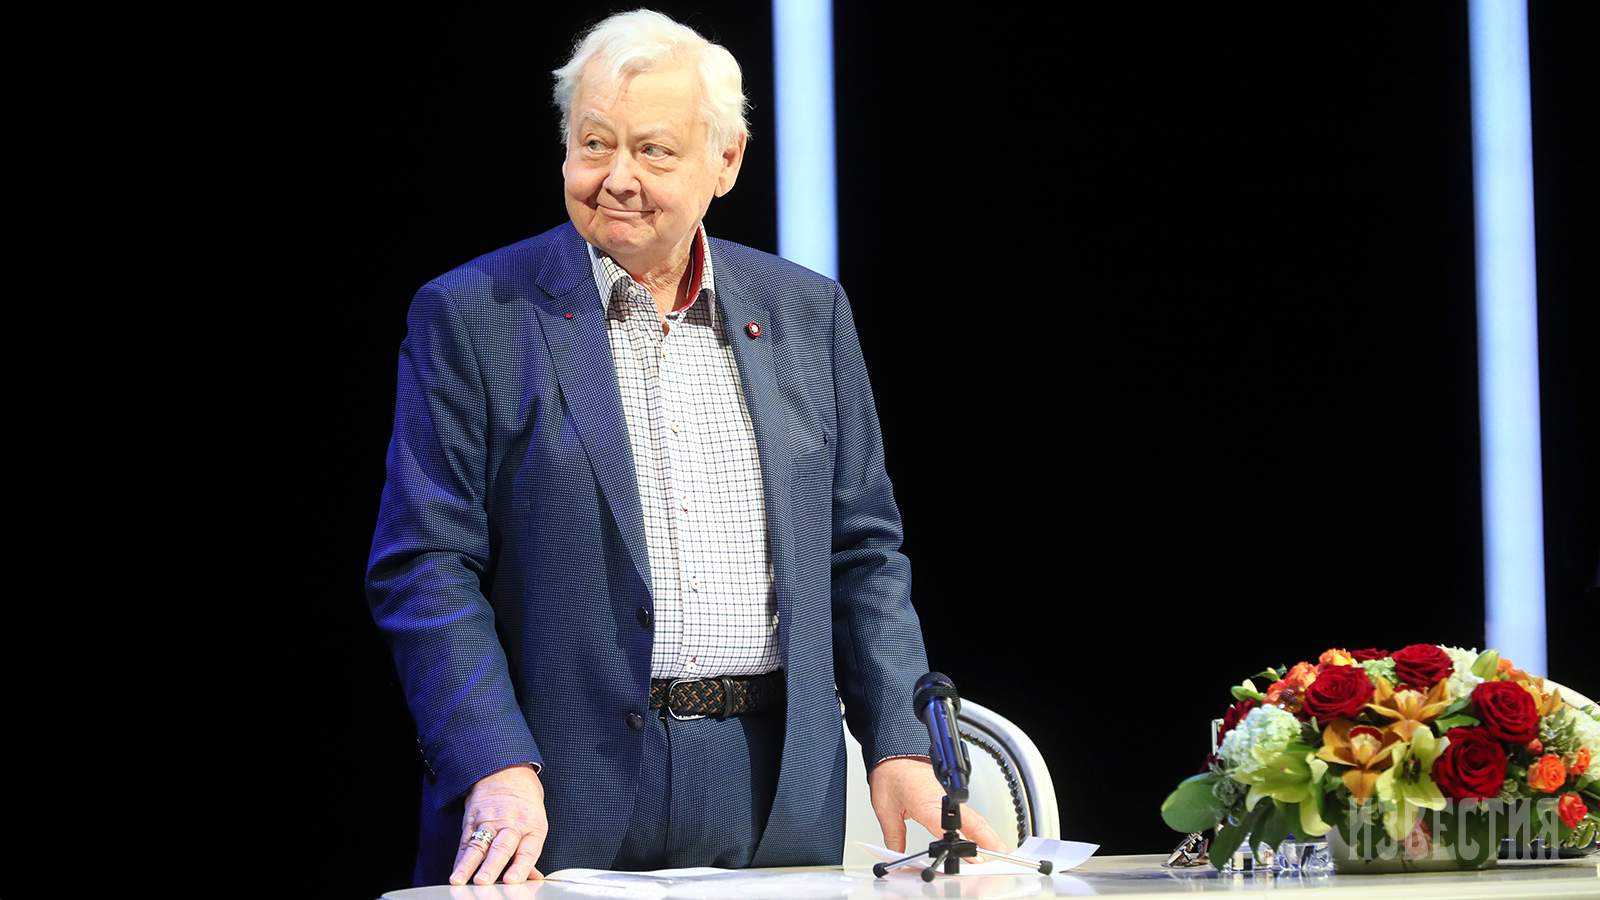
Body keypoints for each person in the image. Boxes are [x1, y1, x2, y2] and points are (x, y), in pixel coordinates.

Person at [364, 8, 1001, 887]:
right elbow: (426, 564)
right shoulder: (473, 314)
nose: (616, 178)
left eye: (654, 151)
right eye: (594, 144)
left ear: (726, 161)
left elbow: (862, 554)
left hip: (775, 791)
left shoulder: (808, 312)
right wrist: (494, 762)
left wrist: (899, 744)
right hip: (552, 792)